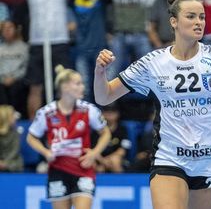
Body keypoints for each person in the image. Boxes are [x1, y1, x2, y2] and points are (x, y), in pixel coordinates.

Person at [94, 0, 211, 208]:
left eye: (202, 17)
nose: (199, 22)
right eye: (191, 16)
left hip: (208, 161)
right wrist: (100, 72)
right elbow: (103, 97)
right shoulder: (153, 62)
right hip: (169, 158)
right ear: (173, 22)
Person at [27, 65, 111, 209]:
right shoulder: (46, 113)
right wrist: (46, 152)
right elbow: (31, 137)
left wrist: (94, 153)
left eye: (82, 83)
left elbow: (106, 133)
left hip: (83, 169)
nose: (82, 87)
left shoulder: (89, 110)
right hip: (57, 170)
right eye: (78, 83)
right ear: (65, 87)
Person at [93, 102, 131, 173]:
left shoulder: (122, 129)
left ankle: (121, 183)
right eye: (107, 111)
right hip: (99, 159)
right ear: (102, 113)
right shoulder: (97, 130)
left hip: (115, 158)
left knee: (115, 160)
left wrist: (108, 160)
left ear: (118, 114)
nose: (109, 114)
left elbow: (122, 150)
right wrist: (102, 161)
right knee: (92, 164)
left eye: (113, 112)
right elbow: (92, 149)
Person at [0, 105, 24, 172]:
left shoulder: (15, 133)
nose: (15, 117)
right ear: (5, 118)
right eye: (12, 115)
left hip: (12, 162)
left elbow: (14, 151)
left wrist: (5, 163)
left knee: (17, 163)